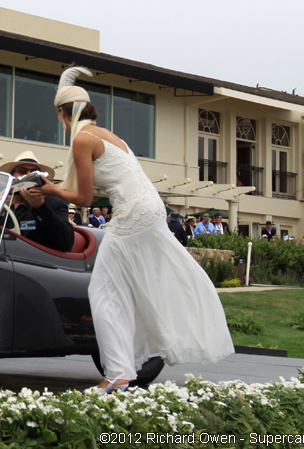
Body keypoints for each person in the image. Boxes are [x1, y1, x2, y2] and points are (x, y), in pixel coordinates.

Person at [33, 66, 232, 393]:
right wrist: (53, 189)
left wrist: (52, 191)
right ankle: (123, 368)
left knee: (102, 291)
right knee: (125, 289)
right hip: (151, 209)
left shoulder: (82, 138)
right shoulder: (108, 135)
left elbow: (83, 197)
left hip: (134, 214)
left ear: (61, 114)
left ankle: (119, 373)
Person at [0, 151, 74, 252]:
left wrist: (41, 207)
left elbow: (66, 242)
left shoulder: (53, 204)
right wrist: (0, 210)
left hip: (31, 261)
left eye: (34, 172)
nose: (28, 174)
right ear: (12, 176)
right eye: (22, 170)